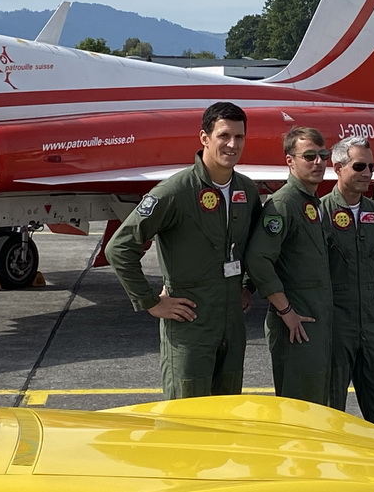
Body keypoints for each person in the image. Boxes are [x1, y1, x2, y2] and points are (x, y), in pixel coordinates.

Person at [105, 102, 262, 398]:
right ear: (204, 138)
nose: (232, 144)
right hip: (191, 325)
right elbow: (120, 248)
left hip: (233, 322)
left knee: (227, 414)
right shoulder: (174, 192)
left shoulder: (247, 190)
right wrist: (151, 302)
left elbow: (256, 245)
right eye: (224, 136)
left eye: (239, 137)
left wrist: (247, 285)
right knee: (186, 413)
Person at [321, 136, 374, 435]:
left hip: (371, 326)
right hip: (333, 326)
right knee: (329, 414)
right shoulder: (319, 215)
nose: (368, 172)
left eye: (371, 166)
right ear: (338, 168)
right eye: (359, 166)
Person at [245, 127, 333, 405]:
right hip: (296, 326)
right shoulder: (284, 204)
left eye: (323, 155)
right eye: (309, 156)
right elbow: (258, 260)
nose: (318, 162)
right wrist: (286, 311)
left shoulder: (309, 202)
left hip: (315, 322)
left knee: (316, 405)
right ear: (290, 160)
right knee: (300, 410)